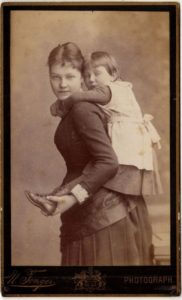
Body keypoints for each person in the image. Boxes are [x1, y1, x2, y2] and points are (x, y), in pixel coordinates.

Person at [25, 42, 161, 266]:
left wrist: (71, 197)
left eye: (70, 76)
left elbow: (108, 163)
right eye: (55, 77)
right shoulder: (77, 108)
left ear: (82, 77)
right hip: (93, 212)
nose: (62, 84)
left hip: (105, 220)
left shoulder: (82, 109)